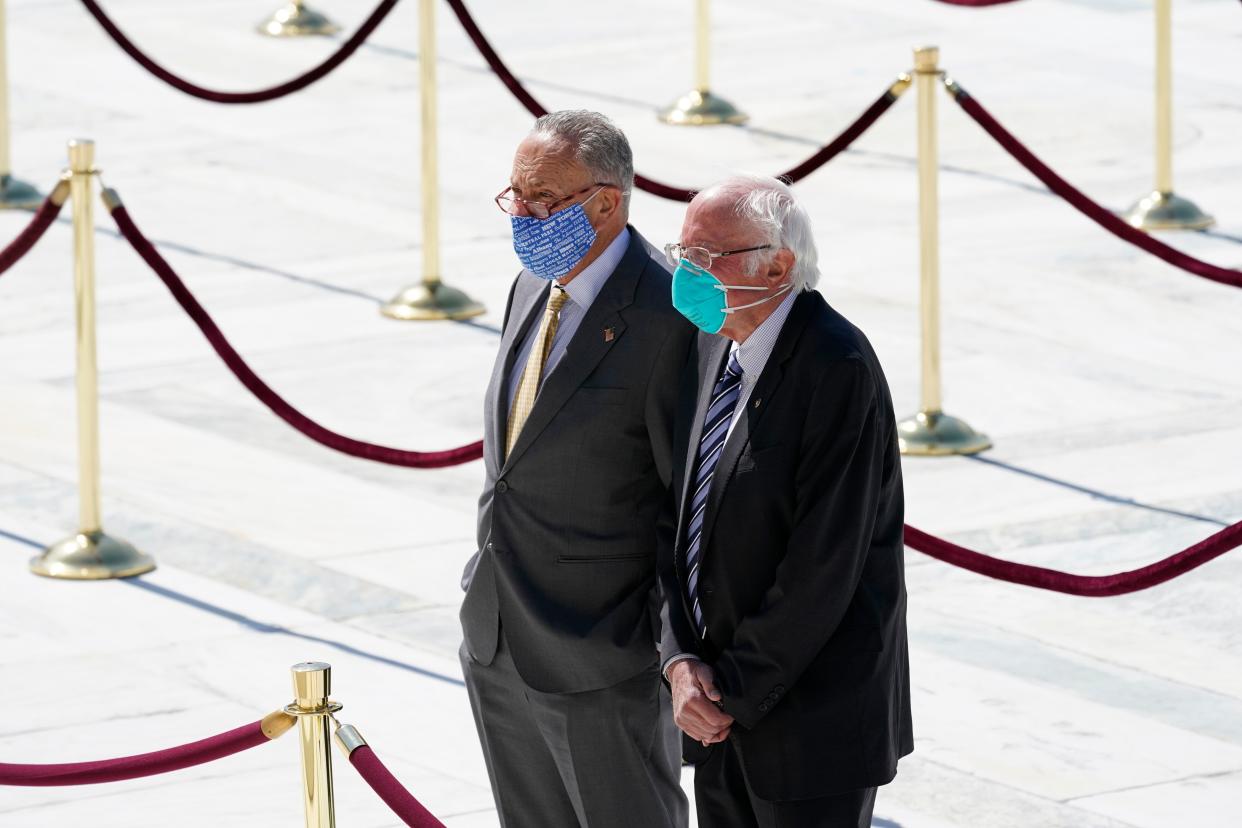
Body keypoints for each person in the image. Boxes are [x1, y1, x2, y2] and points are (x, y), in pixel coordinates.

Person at [459, 110, 692, 828]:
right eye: (516, 198)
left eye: (545, 201)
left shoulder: (675, 312)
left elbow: (687, 501)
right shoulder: (532, 284)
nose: (525, 216)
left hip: (602, 655)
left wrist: (662, 648)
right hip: (499, 633)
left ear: (607, 201)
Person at [659, 175, 913, 828]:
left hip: (807, 725)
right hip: (718, 713)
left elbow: (824, 564)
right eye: (682, 253)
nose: (689, 272)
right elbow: (680, 516)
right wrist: (680, 662)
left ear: (778, 265)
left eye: (707, 257)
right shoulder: (713, 344)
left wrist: (730, 694)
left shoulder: (837, 366)